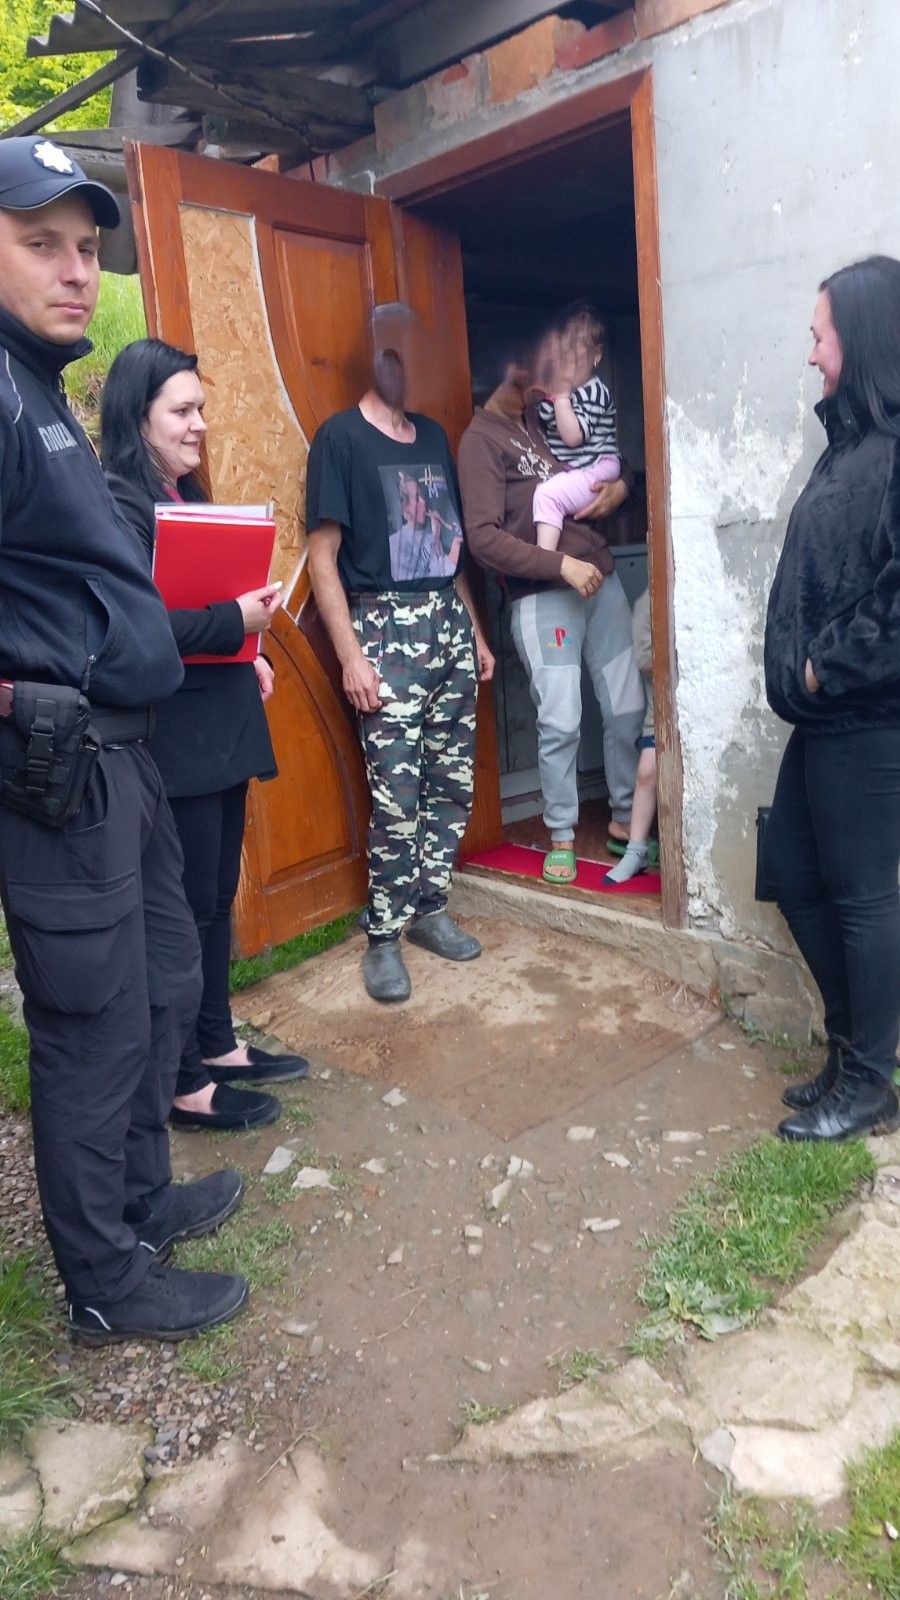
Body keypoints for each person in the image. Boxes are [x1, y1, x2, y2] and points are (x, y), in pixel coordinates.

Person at [0, 137, 247, 1341]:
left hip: (125, 760)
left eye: (88, 250)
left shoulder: (40, 388)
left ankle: (143, 1202)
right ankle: (105, 1280)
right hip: (63, 770)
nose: (74, 271)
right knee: (92, 1026)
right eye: (40, 244)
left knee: (163, 981)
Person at [102, 338, 310, 1131]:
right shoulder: (118, 503)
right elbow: (139, 625)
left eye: (202, 409)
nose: (200, 425)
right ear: (138, 416)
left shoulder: (185, 493)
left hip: (218, 716)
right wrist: (235, 622)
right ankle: (184, 1081)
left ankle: (217, 1045)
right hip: (173, 734)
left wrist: (250, 653)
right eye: (183, 411)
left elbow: (206, 605)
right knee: (183, 911)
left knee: (216, 899)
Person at [305, 304, 495, 1004]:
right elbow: (322, 558)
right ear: (374, 357)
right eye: (389, 351)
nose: (401, 363)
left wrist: (475, 633)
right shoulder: (340, 439)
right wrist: (351, 657)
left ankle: (430, 909)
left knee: (451, 781)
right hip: (384, 632)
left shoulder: (433, 436)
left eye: (410, 351)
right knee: (396, 793)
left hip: (446, 622)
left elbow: (448, 551)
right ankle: (383, 935)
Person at [764, 255, 900, 1142]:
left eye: (820, 335)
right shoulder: (849, 447)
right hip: (822, 718)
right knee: (790, 870)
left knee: (861, 897)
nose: (811, 352)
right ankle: (852, 1050)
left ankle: (870, 1083)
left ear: (863, 334)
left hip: (867, 716)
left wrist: (822, 668)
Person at [458, 346, 644, 886]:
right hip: (543, 595)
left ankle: (624, 817)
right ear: (504, 371)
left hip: (600, 580)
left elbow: (609, 454)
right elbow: (482, 540)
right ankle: (562, 833)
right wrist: (559, 564)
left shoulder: (542, 421)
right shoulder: (480, 441)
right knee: (561, 721)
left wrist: (621, 489)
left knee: (627, 707)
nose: (543, 383)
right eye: (530, 372)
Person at [532, 303, 621, 552]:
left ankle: (543, 560)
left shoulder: (595, 392)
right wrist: (552, 395)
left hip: (597, 468)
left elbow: (572, 437)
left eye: (577, 358)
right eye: (564, 358)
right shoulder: (562, 391)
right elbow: (544, 416)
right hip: (578, 468)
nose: (569, 367)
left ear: (596, 355)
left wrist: (561, 398)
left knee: (547, 496)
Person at [604, 588, 657, 885]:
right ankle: (636, 852)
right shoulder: (647, 604)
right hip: (662, 709)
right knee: (647, 772)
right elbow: (645, 660)